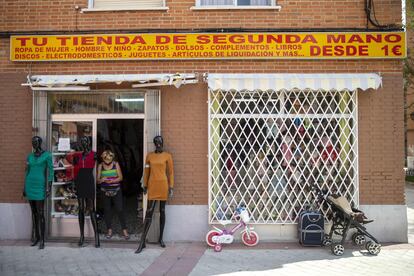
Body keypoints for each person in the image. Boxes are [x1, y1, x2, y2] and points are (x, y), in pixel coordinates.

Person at [135, 135, 174, 254]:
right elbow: (146, 171)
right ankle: (142, 242)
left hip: (163, 186)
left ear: (163, 142)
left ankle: (160, 238)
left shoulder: (167, 156)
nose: (158, 144)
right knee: (149, 213)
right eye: (156, 142)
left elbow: (171, 173)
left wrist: (171, 187)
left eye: (160, 142)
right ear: (154, 143)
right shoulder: (150, 156)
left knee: (162, 211)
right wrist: (145, 185)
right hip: (152, 186)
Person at [23, 136, 53, 249]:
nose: (33, 144)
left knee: (40, 213)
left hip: (40, 186)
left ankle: (43, 240)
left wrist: (49, 186)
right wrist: (24, 187)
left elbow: (50, 171)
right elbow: (27, 172)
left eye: (35, 142)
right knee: (34, 212)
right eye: (32, 142)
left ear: (39, 143)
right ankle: (37, 237)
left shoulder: (47, 155)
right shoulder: (29, 156)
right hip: (30, 185)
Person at [70, 136, 100, 247]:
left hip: (88, 180)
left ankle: (96, 236)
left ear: (89, 143)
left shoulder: (94, 154)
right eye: (82, 142)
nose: (84, 144)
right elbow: (74, 170)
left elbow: (98, 168)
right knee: (81, 209)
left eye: (85, 142)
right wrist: (73, 182)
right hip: (79, 181)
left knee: (92, 208)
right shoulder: (78, 156)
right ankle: (82, 235)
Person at [97, 150, 129, 240]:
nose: (107, 163)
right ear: (103, 159)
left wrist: (113, 181)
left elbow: (121, 177)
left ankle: (124, 230)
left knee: (120, 209)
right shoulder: (100, 166)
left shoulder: (116, 164)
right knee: (107, 210)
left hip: (116, 190)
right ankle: (109, 230)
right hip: (105, 191)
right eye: (106, 161)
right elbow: (97, 180)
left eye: (109, 161)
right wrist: (102, 179)